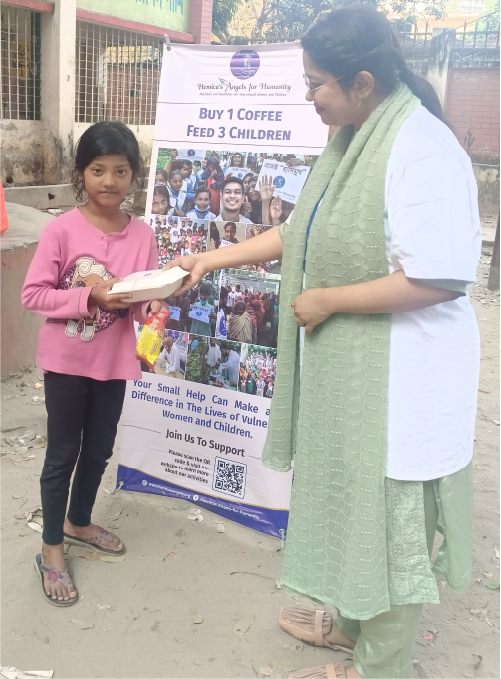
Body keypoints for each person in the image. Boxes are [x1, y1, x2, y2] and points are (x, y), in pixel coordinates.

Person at [162, 6, 481, 678]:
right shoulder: (353, 140)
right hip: (358, 375)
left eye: (315, 85)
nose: (309, 98)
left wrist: (328, 299)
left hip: (404, 383)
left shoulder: (420, 147)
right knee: (354, 505)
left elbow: (439, 277)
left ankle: (377, 666)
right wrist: (210, 260)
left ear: (362, 82)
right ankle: (352, 624)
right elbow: (300, 231)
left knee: (388, 526)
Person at [22, 121, 166, 607]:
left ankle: (78, 521)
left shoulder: (142, 235)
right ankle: (51, 547)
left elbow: (141, 300)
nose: (109, 181)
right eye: (98, 169)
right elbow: (34, 295)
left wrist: (156, 306)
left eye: (121, 171)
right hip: (66, 362)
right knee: (63, 453)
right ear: (80, 172)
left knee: (100, 448)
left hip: (113, 362)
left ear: (134, 175)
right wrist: (90, 297)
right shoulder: (61, 230)